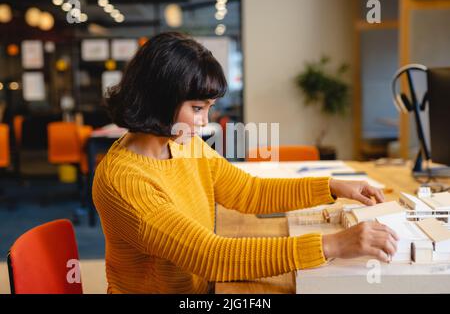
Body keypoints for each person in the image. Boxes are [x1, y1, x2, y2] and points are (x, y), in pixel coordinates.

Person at [92, 32, 398, 294]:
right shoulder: (124, 181)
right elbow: (210, 256)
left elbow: (249, 191)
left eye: (209, 108)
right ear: (158, 99)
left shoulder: (184, 144)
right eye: (197, 108)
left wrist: (331, 186)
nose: (205, 121)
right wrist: (332, 246)